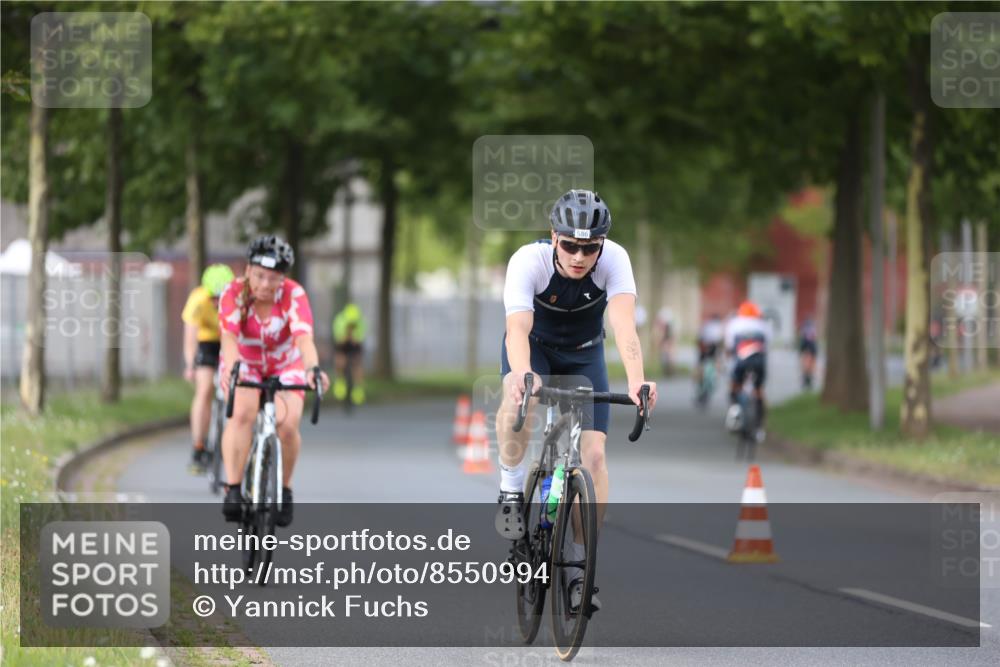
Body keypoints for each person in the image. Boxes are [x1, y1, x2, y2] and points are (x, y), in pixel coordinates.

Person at [494, 189, 658, 613]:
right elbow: (517, 329)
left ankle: (581, 567)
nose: (580, 256)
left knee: (595, 458)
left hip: (585, 354)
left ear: (602, 244)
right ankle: (510, 491)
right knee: (519, 399)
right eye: (570, 245)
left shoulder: (615, 260)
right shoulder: (527, 262)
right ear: (553, 237)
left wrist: (637, 382)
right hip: (535, 349)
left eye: (590, 247)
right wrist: (523, 373)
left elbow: (624, 326)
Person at [217, 235, 330, 527]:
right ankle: (233, 487)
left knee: (288, 424)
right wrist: (233, 368)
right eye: (259, 276)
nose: (266, 284)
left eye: (274, 278)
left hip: (285, 363)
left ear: (283, 278)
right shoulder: (234, 292)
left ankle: (285, 489)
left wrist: (312, 369)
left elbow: (303, 339)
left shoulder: (294, 294)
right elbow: (228, 337)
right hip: (244, 361)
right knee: (242, 413)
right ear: (248, 270)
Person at [181, 264, 235, 473]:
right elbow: (190, 338)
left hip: (231, 340)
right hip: (207, 342)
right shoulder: (197, 299)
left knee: (235, 389)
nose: (217, 303)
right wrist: (190, 365)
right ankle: (198, 446)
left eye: (221, 298)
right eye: (213, 297)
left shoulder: (237, 299)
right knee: (204, 390)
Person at [725, 300, 771, 442]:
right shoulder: (763, 325)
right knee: (759, 390)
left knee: (734, 386)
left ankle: (734, 415)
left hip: (741, 362)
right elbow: (767, 347)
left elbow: (729, 347)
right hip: (759, 362)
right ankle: (759, 427)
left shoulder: (734, 324)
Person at [332, 302, 368, 405]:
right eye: (350, 324)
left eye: (353, 324)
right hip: (342, 343)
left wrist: (354, 337)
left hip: (355, 343)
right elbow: (339, 341)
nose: (351, 326)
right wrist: (346, 336)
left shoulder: (361, 323)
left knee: (357, 364)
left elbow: (359, 340)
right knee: (340, 361)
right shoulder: (339, 321)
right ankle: (340, 381)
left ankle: (358, 388)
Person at [694, 312, 724, 390]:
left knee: (701, 363)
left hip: (703, 345)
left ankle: (698, 377)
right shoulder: (719, 326)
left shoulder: (706, 324)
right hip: (713, 345)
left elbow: (699, 338)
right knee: (717, 361)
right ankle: (716, 377)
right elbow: (721, 340)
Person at [798, 317, 819, 390]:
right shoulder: (810, 331)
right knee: (808, 368)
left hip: (809, 351)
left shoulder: (805, 332)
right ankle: (807, 381)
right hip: (809, 351)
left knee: (807, 368)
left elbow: (803, 344)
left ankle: (807, 381)